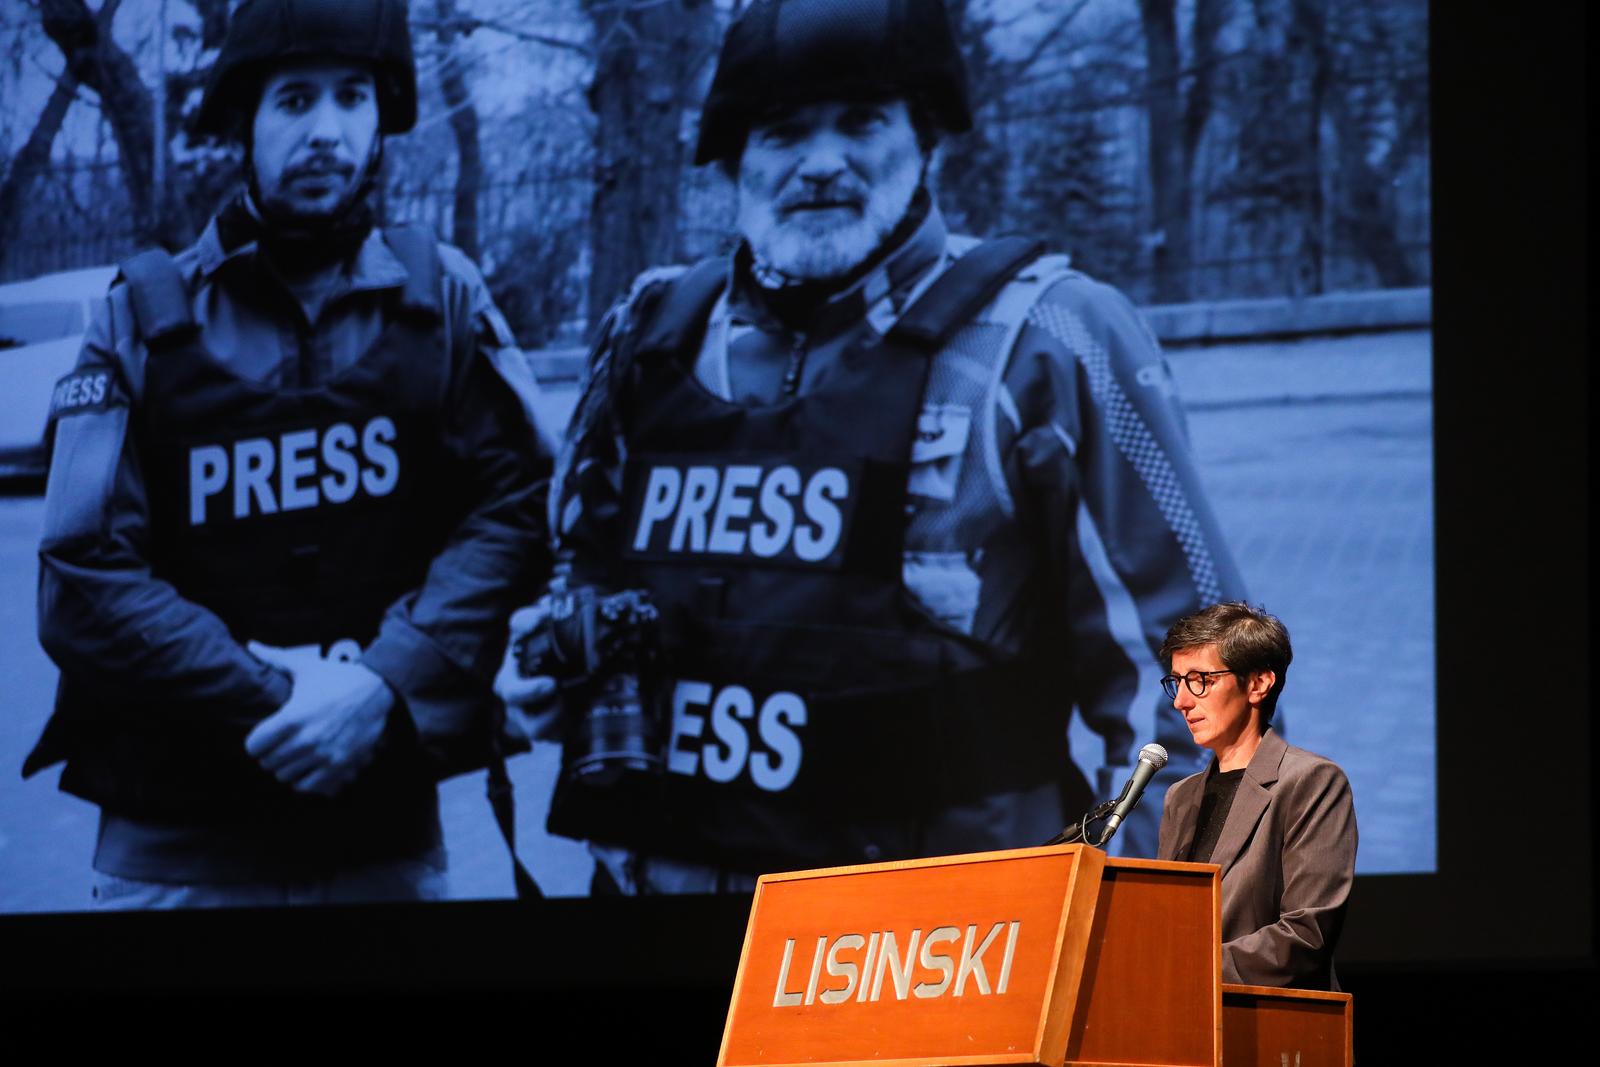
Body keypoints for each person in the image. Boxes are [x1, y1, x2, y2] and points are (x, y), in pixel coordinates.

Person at [498, 0, 1245, 894]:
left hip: (940, 948)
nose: (821, 163)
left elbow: (1207, 693)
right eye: (782, 131)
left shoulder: (1051, 336)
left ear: (925, 139)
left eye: (861, 122)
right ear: (736, 157)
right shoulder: (648, 332)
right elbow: (581, 569)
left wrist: (1139, 932)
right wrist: (554, 666)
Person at [24, 0, 551, 908]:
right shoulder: (136, 318)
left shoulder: (446, 298)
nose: (327, 131)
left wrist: (382, 684)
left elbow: (515, 509)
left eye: (352, 99)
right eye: (295, 100)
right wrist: (276, 692)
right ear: (245, 123)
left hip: (382, 836)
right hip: (179, 852)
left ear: (383, 119)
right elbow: (82, 573)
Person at [1155, 602, 1356, 990]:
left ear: (1259, 684)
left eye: (1200, 680)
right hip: (1183, 1023)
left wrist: (1183, 968)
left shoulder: (1310, 781)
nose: (1181, 700)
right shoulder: (1181, 797)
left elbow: (1305, 935)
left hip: (1268, 1024)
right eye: (1176, 682)